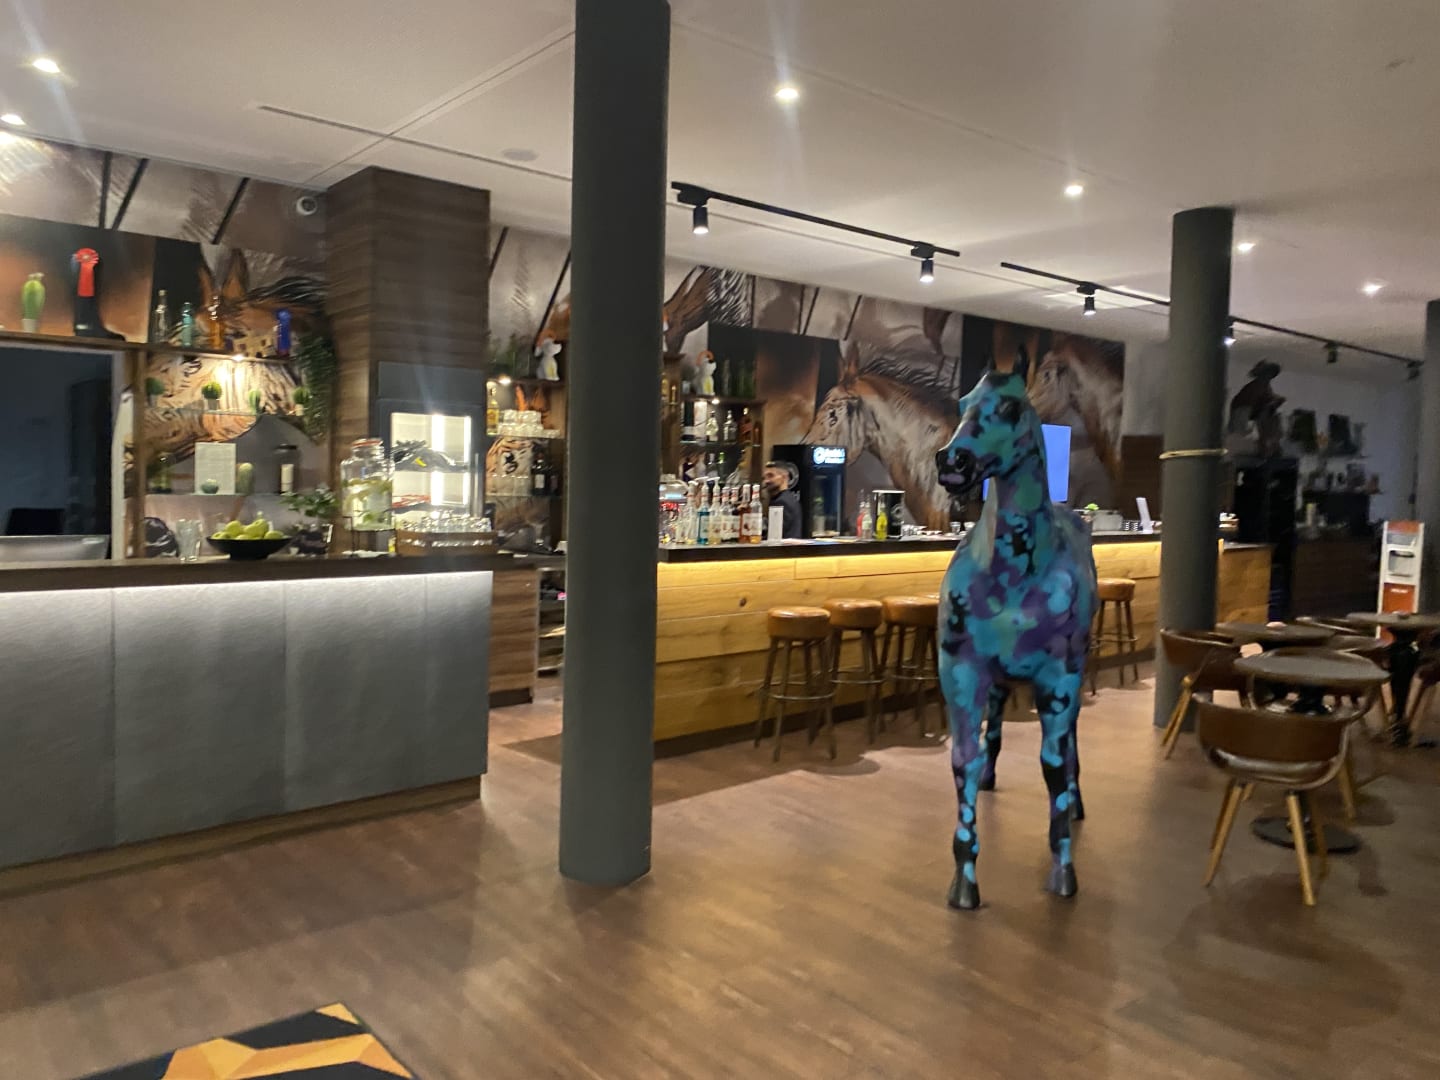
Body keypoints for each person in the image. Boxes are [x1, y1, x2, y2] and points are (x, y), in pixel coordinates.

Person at [762, 460, 803, 539]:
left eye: (771, 476)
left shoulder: (782, 502)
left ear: (784, 477)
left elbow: (774, 536)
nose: (766, 481)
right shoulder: (788, 498)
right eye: (764, 478)